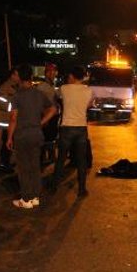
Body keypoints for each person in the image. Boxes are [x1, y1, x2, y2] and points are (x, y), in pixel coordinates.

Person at [6, 64, 57, 209]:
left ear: (20, 77)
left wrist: (9, 138)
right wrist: (41, 122)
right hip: (37, 134)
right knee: (35, 166)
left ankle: (26, 199)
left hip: (22, 135)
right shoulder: (39, 94)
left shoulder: (17, 96)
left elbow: (14, 119)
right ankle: (35, 197)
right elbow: (53, 109)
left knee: (24, 168)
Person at [51, 65, 92, 198]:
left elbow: (56, 95)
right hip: (81, 128)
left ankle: (54, 185)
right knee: (81, 160)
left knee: (61, 158)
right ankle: (81, 190)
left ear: (73, 76)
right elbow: (88, 105)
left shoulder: (64, 88)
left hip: (66, 128)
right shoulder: (89, 91)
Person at [36, 62, 60, 167]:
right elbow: (39, 104)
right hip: (46, 116)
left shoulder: (52, 86)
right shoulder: (42, 87)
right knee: (44, 138)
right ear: (46, 73)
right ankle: (42, 159)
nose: (53, 74)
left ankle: (50, 156)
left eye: (54, 71)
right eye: (50, 72)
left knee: (51, 137)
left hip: (53, 116)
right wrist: (43, 118)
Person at [0, 68, 20, 171]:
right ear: (13, 75)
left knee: (10, 142)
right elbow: (1, 103)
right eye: (18, 75)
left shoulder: (16, 87)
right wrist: (15, 108)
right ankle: (4, 164)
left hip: (13, 120)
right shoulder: (5, 87)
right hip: (7, 121)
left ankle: (7, 162)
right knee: (7, 142)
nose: (19, 77)